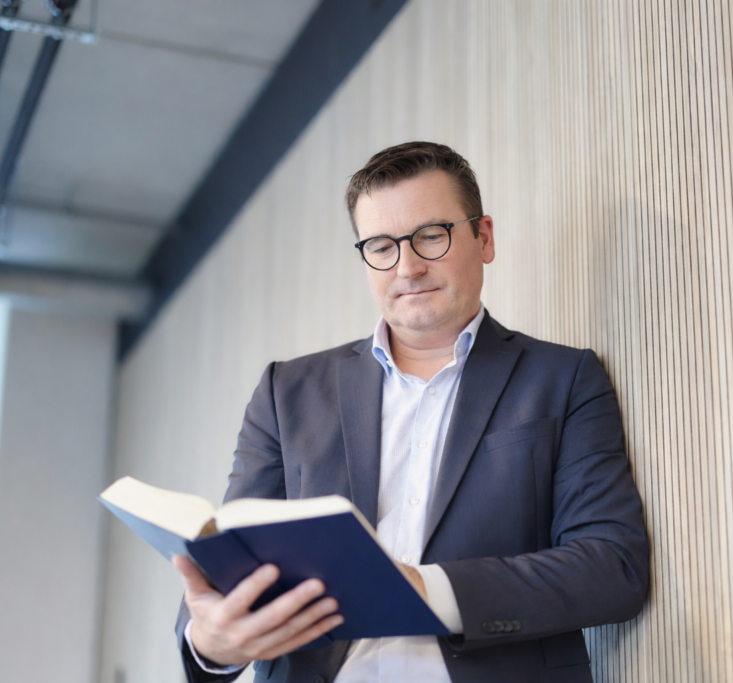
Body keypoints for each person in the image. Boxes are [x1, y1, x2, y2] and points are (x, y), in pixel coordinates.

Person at [173, 142, 650, 683]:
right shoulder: (286, 394)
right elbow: (230, 557)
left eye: (431, 235)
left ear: (483, 237)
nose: (408, 266)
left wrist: (423, 590)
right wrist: (212, 644)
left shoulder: (563, 380)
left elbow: (612, 566)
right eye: (381, 245)